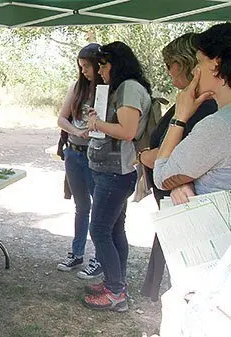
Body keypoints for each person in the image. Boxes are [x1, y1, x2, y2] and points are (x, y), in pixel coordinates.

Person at [139, 33, 217, 301]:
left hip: (191, 209)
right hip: (177, 203)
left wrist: (146, 157)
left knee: (191, 286)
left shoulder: (207, 112)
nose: (168, 70)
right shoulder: (190, 103)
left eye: (171, 63)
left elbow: (167, 166)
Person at [83, 41, 152, 312]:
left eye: (104, 65)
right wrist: (98, 119)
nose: (100, 71)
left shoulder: (129, 88)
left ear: (117, 64)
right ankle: (116, 283)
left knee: (99, 229)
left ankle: (115, 292)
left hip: (116, 173)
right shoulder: (124, 89)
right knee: (114, 230)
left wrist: (96, 124)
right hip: (111, 172)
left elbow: (128, 131)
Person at [154, 22, 231, 204]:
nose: (195, 70)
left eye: (199, 62)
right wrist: (185, 182)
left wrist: (179, 117)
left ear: (216, 64)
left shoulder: (218, 126)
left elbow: (162, 176)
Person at [54, 43, 104, 280]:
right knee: (81, 206)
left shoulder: (106, 90)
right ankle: (77, 252)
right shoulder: (77, 87)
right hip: (74, 153)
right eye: (81, 66)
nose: (83, 71)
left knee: (100, 209)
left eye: (87, 66)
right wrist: (76, 130)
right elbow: (61, 119)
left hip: (96, 156)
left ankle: (100, 258)